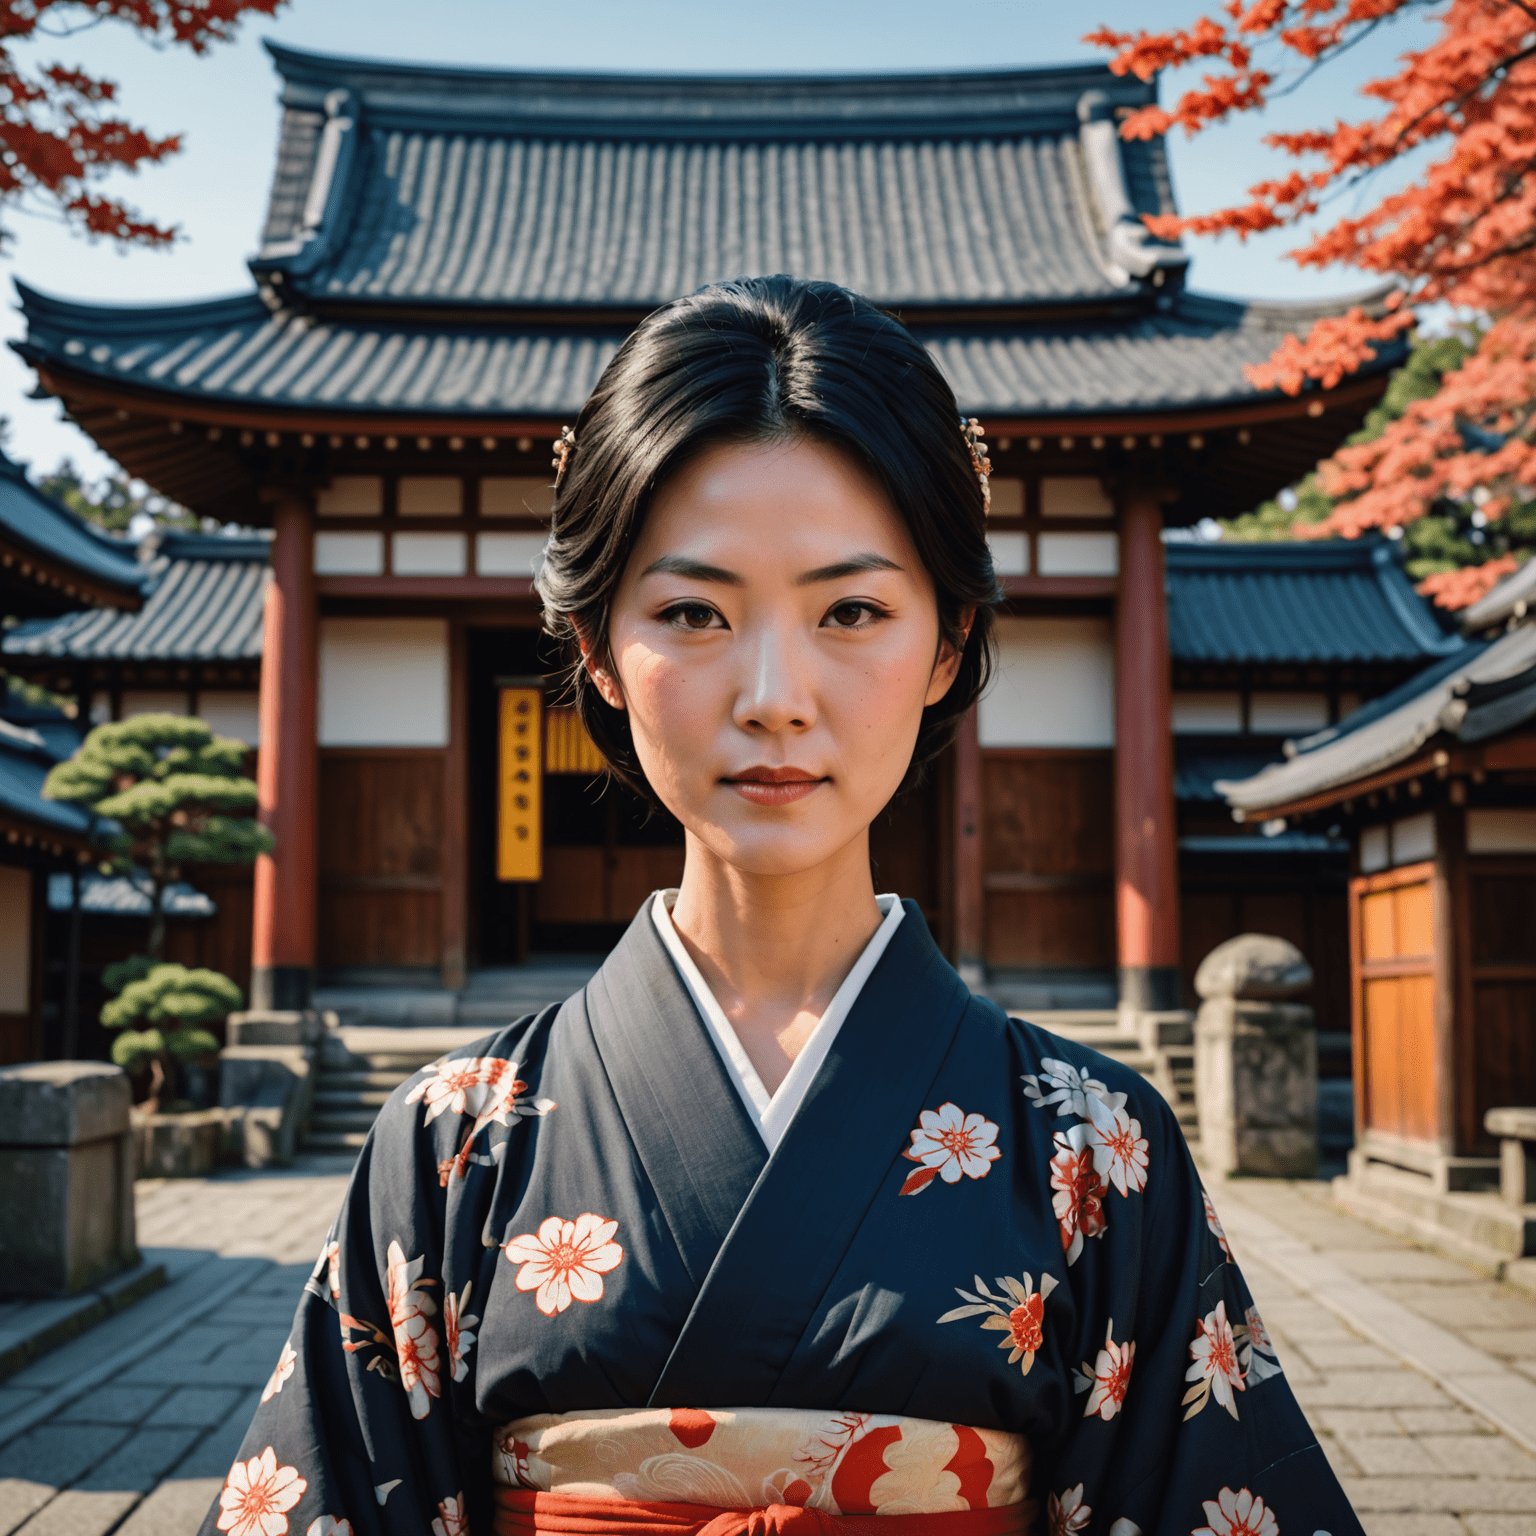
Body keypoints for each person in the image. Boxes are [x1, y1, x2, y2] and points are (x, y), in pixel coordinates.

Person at [203, 276, 1363, 1536]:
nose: (773, 694)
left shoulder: (1096, 1148)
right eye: (692, 611)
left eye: (851, 610)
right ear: (595, 644)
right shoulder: (451, 1144)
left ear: (945, 640)